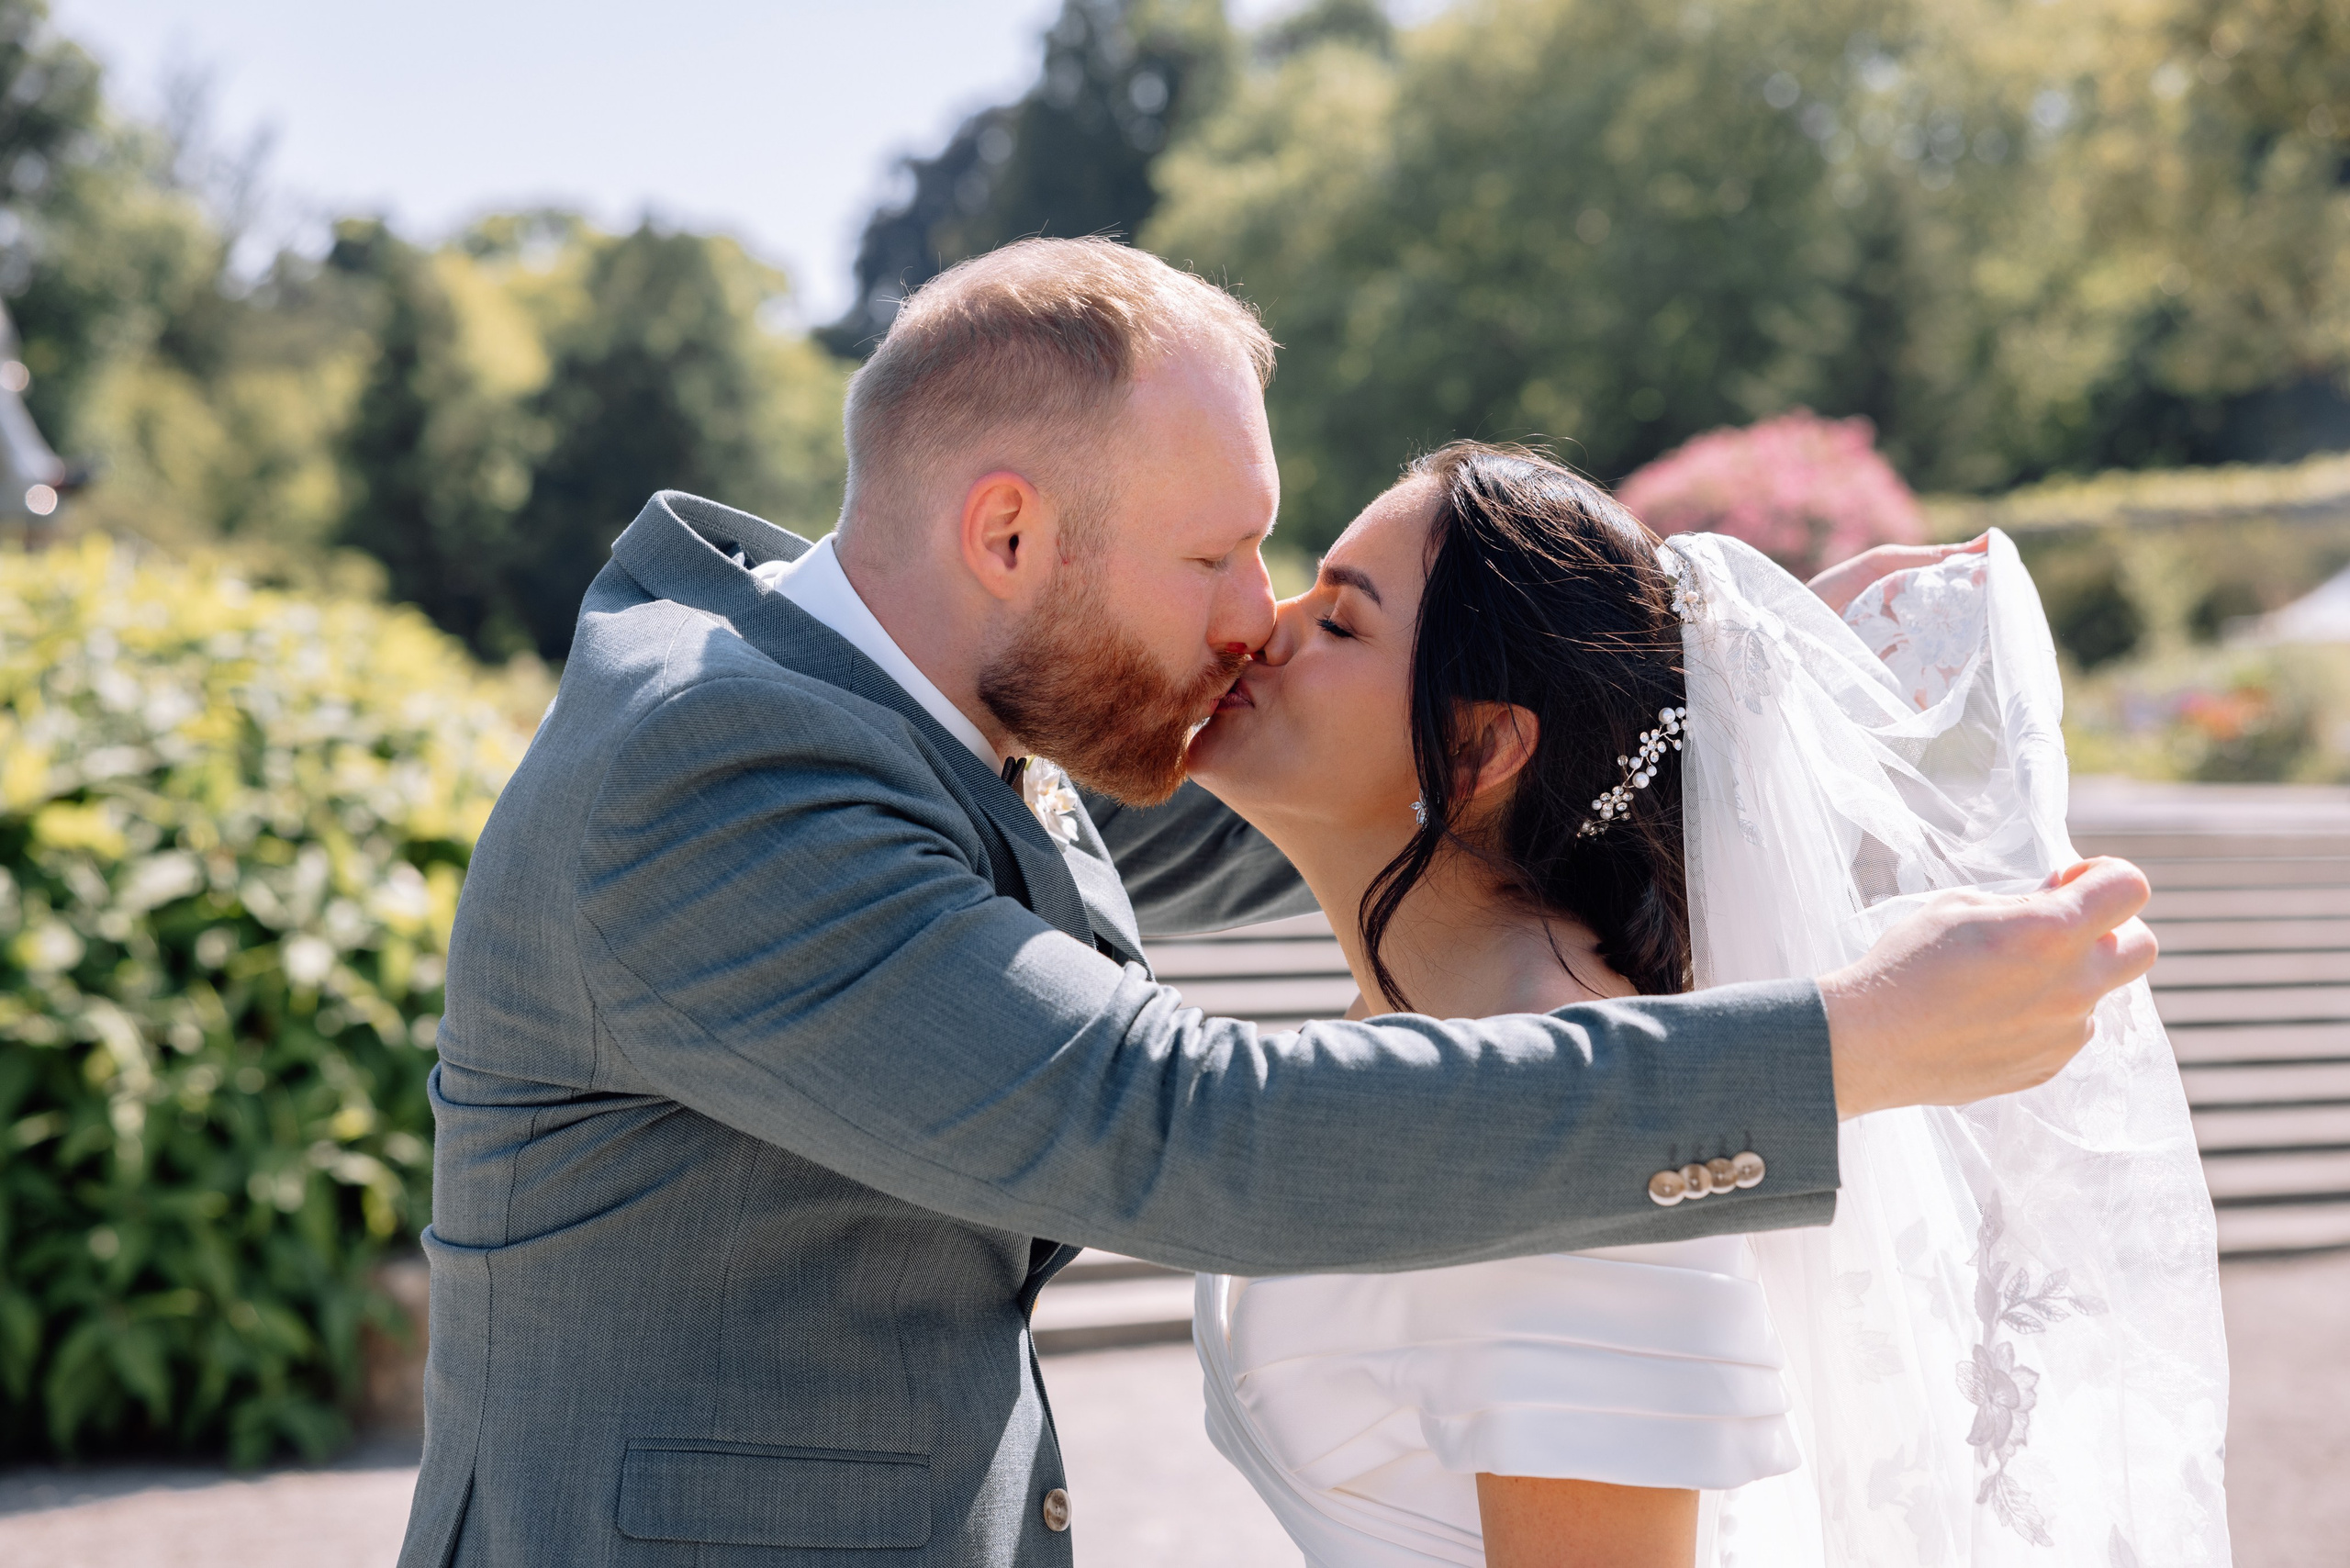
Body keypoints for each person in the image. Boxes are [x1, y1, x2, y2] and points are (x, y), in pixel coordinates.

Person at [397, 240, 2158, 1568]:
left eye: (1303, 583)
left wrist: (1695, 687)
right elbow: (1168, 1119)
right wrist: (1840, 1050)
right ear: (1009, 537)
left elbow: (1302, 795)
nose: (1251, 618)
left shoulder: (911, 709)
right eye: (1220, 557)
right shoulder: (722, 772)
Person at [1187, 443, 2228, 1568]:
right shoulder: (1457, 1028)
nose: (1260, 624)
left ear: (1483, 744)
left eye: (1340, 623)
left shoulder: (1591, 1162)